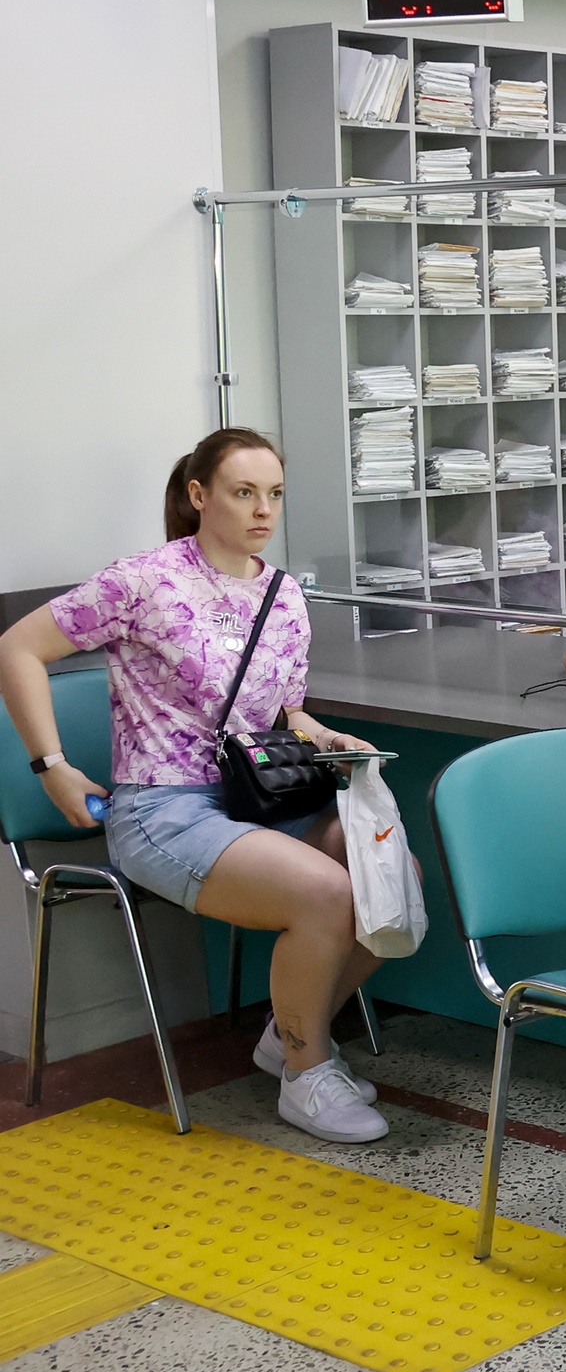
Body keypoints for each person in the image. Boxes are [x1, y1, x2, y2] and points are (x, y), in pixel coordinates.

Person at [0, 428, 387, 1143]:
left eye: (274, 494)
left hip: (255, 797)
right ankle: (307, 1074)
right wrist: (50, 765)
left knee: (389, 873)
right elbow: (16, 647)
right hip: (162, 809)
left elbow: (288, 713)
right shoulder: (144, 580)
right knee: (327, 894)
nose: (263, 510)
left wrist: (329, 739)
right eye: (244, 492)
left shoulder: (283, 594)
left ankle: (288, 1036)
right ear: (200, 494)